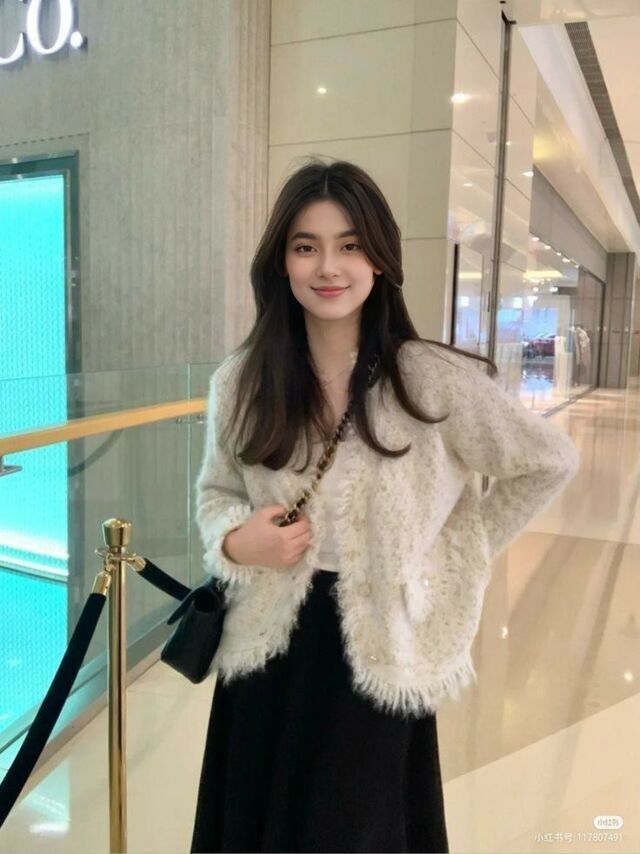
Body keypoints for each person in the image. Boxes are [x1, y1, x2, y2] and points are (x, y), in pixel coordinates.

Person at [190, 158, 581, 853]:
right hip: (268, 646)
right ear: (281, 262)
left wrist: (448, 557)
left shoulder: (430, 380)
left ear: (379, 259)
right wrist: (235, 541)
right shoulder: (243, 382)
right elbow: (217, 492)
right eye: (305, 246)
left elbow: (548, 461)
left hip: (381, 648)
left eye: (349, 244)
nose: (327, 267)